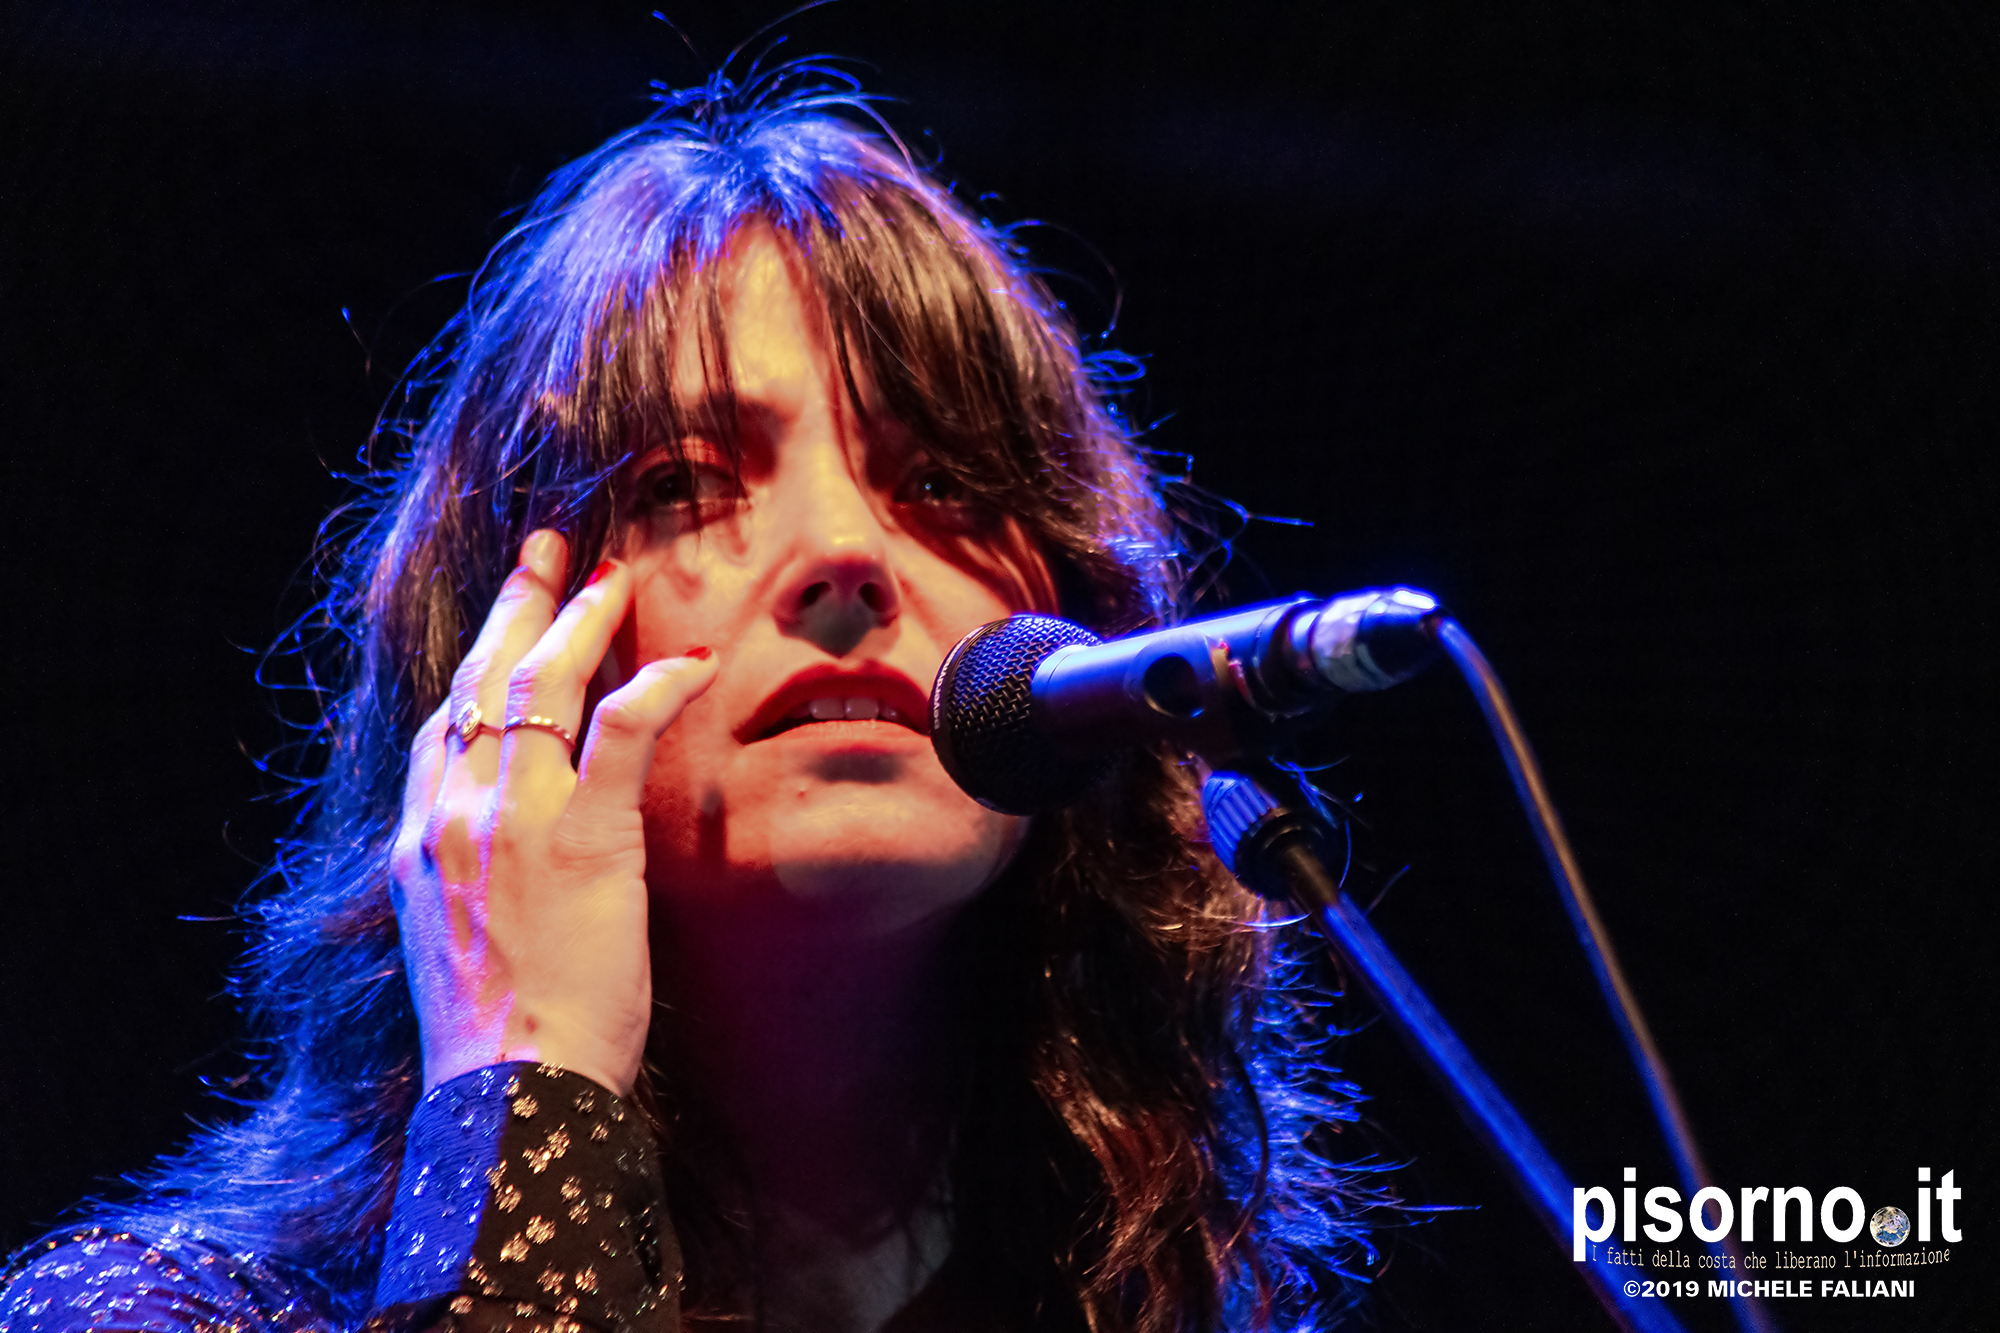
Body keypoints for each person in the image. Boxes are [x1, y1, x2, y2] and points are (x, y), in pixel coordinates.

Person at [2, 64, 1392, 1333]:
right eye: (684, 483)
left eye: (942, 482)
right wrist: (528, 1090)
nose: (845, 552)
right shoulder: (152, 1313)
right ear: (500, 663)